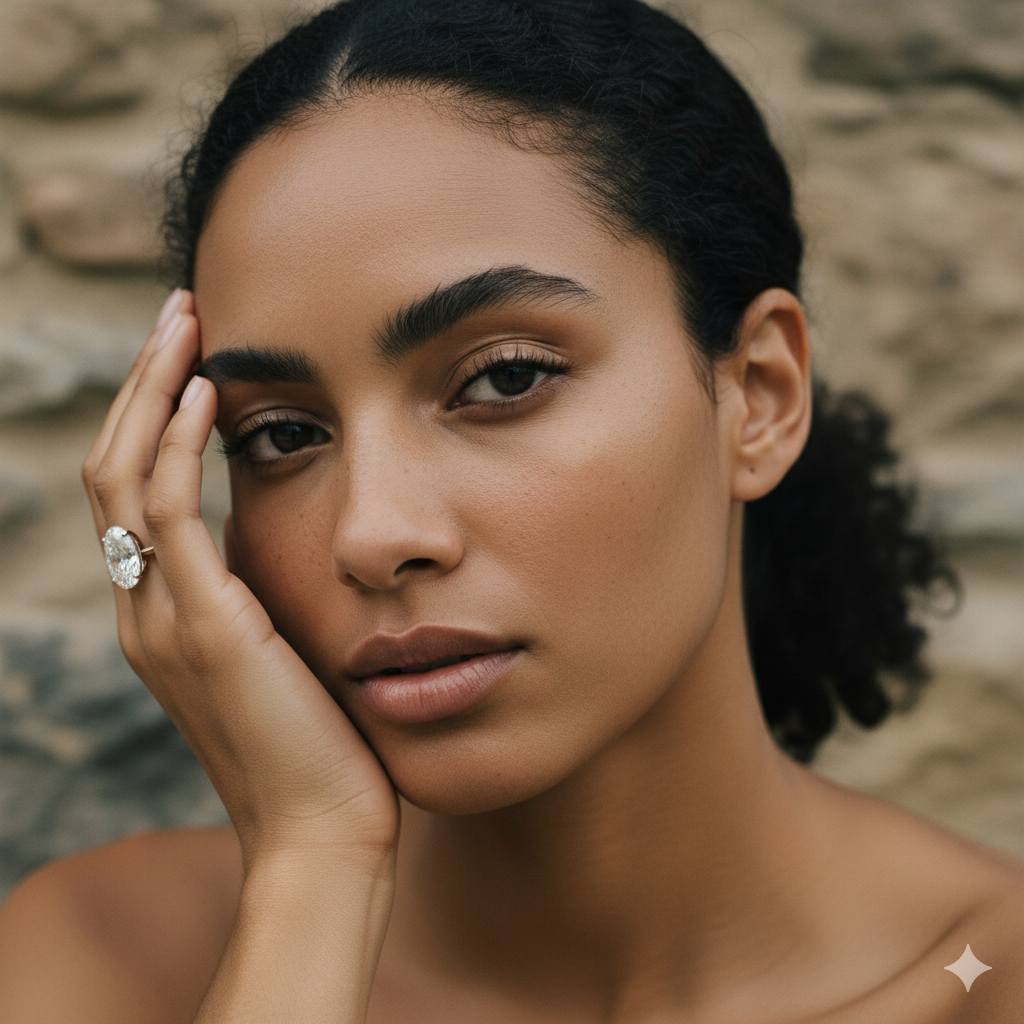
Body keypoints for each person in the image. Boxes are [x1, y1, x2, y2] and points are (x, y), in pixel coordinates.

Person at [0, 0, 1021, 1020]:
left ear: (758, 394)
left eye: (503, 380)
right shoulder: (105, 958)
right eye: (281, 434)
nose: (372, 533)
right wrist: (315, 868)